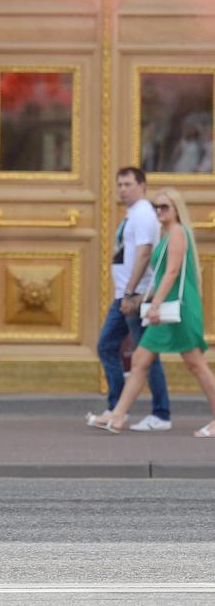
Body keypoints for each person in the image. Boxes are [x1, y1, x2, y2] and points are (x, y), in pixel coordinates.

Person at [89, 187, 215, 438]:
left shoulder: (178, 232)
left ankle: (119, 415)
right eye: (156, 206)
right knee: (140, 360)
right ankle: (117, 417)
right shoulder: (166, 234)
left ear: (177, 210)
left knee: (196, 364)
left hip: (177, 309)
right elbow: (160, 276)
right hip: (166, 308)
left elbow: (171, 273)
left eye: (165, 207)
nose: (159, 211)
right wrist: (143, 299)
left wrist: (154, 305)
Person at [92, 167, 171, 432]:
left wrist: (130, 293)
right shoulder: (133, 214)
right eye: (119, 185)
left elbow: (144, 254)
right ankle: (117, 408)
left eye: (128, 184)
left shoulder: (144, 215)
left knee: (144, 355)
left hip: (135, 296)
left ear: (142, 186)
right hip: (125, 294)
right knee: (113, 348)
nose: (122, 189)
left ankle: (159, 413)